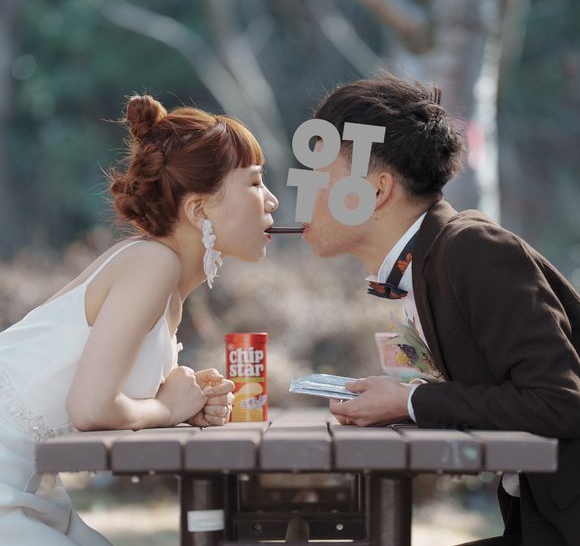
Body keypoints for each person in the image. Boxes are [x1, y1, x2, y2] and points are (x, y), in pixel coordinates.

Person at [301, 73, 580, 546]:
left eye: (318, 177)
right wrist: (406, 401)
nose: (302, 194)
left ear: (377, 190)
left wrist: (409, 401)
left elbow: (560, 401)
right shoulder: (430, 259)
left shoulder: (473, 248)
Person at [0, 94, 279, 545]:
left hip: (29, 486)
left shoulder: (159, 277)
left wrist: (187, 401)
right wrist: (168, 409)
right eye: (255, 183)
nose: (272, 201)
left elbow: (106, 394)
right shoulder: (153, 263)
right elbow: (91, 408)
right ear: (199, 209)